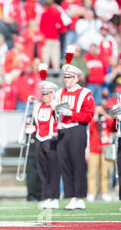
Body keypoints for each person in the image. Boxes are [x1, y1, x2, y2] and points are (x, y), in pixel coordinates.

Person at [55, 47, 95, 210]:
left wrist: (71, 113)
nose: (67, 80)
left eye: (70, 77)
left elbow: (88, 115)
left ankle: (80, 196)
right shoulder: (59, 93)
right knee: (64, 163)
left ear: (77, 78)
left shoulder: (85, 93)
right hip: (63, 130)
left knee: (77, 163)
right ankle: (71, 196)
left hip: (77, 129)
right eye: (65, 77)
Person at [25, 65, 60, 209]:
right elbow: (37, 123)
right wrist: (32, 128)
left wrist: (55, 131)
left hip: (51, 140)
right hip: (40, 139)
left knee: (53, 169)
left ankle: (54, 197)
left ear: (52, 93)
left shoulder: (56, 106)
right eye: (44, 93)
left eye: (48, 93)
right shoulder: (37, 106)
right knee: (42, 170)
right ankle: (46, 196)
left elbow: (59, 121)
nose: (45, 96)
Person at [87, 105, 114, 202]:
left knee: (105, 172)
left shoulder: (106, 120)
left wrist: (104, 114)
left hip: (105, 148)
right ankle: (92, 193)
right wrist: (95, 116)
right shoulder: (93, 121)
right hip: (94, 149)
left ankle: (104, 192)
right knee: (92, 172)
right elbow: (89, 128)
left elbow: (113, 126)